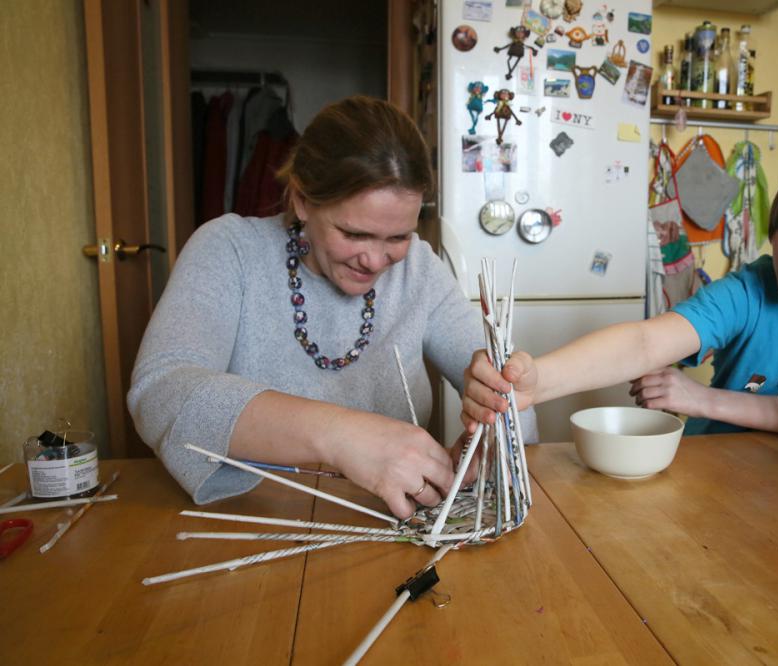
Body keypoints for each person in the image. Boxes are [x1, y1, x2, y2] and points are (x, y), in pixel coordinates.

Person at [128, 96, 535, 520]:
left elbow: (514, 401)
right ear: (302, 200)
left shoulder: (419, 268)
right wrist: (340, 435)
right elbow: (160, 392)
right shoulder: (229, 250)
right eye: (354, 233)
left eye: (397, 237)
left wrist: (498, 432)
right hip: (257, 520)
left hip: (388, 527)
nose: (376, 261)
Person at [462, 137, 778, 436]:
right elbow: (645, 341)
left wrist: (701, 398)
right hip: (716, 471)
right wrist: (538, 382)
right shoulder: (752, 289)